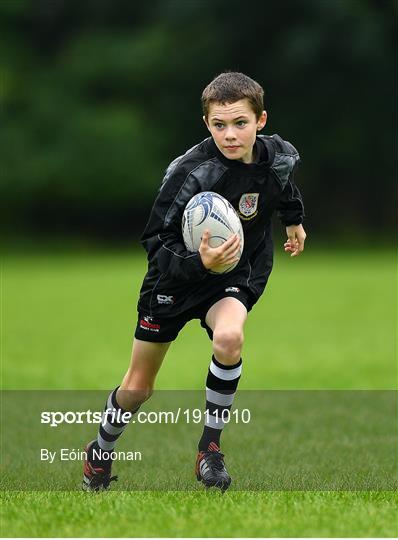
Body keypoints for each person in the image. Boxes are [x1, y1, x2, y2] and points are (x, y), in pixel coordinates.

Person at [82, 71, 306, 492]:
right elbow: (154, 239)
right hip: (174, 279)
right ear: (207, 124)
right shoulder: (190, 171)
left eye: (240, 123)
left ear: (260, 120)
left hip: (234, 272)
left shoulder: (277, 155)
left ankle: (210, 450)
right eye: (219, 125)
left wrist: (293, 221)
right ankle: (99, 449)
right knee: (138, 388)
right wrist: (197, 261)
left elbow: (281, 185)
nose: (230, 134)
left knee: (229, 339)